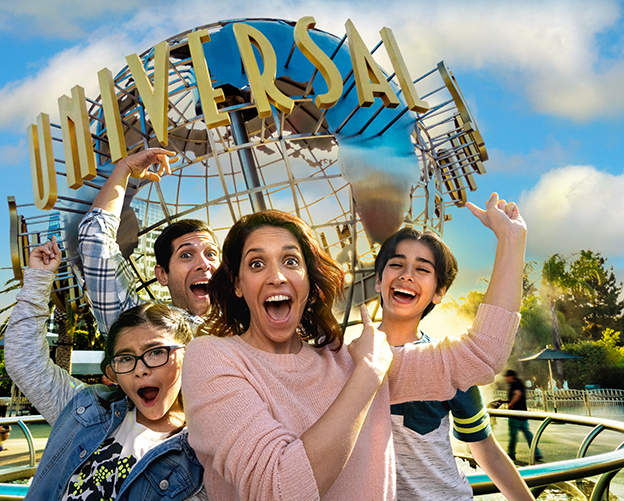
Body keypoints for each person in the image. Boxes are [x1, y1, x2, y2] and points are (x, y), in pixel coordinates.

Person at [182, 192, 527, 500]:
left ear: (309, 282)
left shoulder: (344, 360)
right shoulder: (212, 357)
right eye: (257, 264)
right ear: (238, 284)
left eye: (291, 262)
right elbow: (280, 489)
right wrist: (368, 375)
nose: (277, 276)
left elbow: (482, 356)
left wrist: (511, 241)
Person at [4, 237, 205, 500]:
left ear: (189, 356)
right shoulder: (87, 411)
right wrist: (38, 278)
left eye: (156, 352)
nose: (140, 370)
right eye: (125, 358)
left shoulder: (204, 448)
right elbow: (25, 361)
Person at [375, 227, 534, 500]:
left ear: (439, 292)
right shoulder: (343, 360)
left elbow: (486, 450)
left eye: (423, 269)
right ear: (378, 281)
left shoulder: (449, 362)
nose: (406, 274)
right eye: (396, 264)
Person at [78, 148, 220, 336]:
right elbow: (94, 238)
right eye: (186, 255)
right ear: (162, 275)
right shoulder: (144, 327)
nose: (204, 264)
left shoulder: (253, 322)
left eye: (210, 254)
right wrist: (124, 169)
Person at [503, 370, 543, 462]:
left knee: (513, 435)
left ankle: (511, 453)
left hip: (515, 414)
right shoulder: (519, 383)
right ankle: (536, 453)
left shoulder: (514, 384)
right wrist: (505, 402)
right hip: (523, 414)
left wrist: (510, 404)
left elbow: (518, 394)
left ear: (511, 376)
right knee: (528, 434)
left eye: (506, 377)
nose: (505, 379)